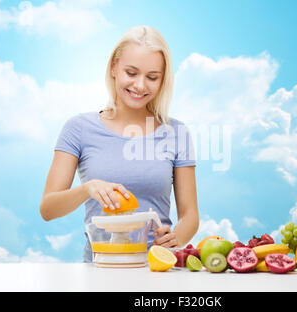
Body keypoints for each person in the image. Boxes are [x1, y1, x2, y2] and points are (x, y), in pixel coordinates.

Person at [39, 25, 199, 262]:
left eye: (152, 77)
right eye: (131, 73)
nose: (140, 85)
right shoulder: (78, 128)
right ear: (114, 67)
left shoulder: (176, 132)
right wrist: (87, 188)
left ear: (162, 79)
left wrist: (176, 237)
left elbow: (190, 215)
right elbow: (48, 209)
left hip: (158, 266)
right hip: (100, 264)